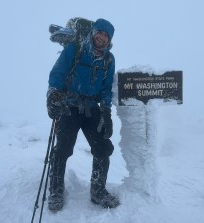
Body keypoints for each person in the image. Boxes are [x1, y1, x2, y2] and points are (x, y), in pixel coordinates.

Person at [46, 18, 119, 212]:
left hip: (91, 108)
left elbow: (105, 88)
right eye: (99, 33)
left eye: (106, 35)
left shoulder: (108, 59)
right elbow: (57, 73)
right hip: (69, 105)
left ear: (109, 39)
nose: (101, 37)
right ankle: (56, 190)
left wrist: (106, 111)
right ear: (93, 32)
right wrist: (53, 93)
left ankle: (98, 190)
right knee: (62, 148)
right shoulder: (75, 49)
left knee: (103, 147)